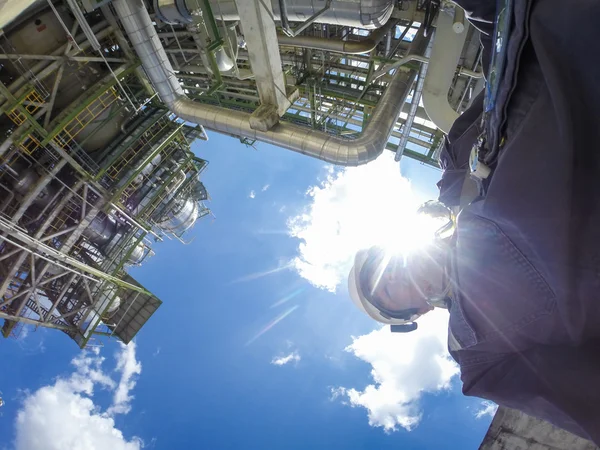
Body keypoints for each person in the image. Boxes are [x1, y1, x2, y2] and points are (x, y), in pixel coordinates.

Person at [348, 0, 600, 444]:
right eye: (389, 288)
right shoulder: (481, 352)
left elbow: (503, 56)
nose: (397, 271)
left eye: (384, 264)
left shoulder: (456, 169)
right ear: (416, 313)